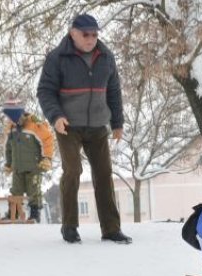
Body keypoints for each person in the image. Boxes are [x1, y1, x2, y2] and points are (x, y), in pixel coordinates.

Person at [37, 13, 131, 244]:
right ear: (73, 33)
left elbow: (113, 91)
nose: (91, 39)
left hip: (98, 124)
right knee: (73, 171)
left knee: (103, 173)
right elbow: (45, 91)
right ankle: (69, 226)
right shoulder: (57, 57)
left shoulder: (106, 57)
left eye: (94, 34)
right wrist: (56, 116)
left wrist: (117, 122)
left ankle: (111, 228)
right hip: (68, 125)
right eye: (85, 34)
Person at [2, 99, 55, 222]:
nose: (14, 122)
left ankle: (35, 214)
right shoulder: (11, 129)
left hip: (34, 167)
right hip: (17, 167)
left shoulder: (35, 125)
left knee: (34, 191)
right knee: (15, 190)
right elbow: (8, 147)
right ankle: (12, 214)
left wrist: (47, 158)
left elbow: (47, 140)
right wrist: (8, 164)